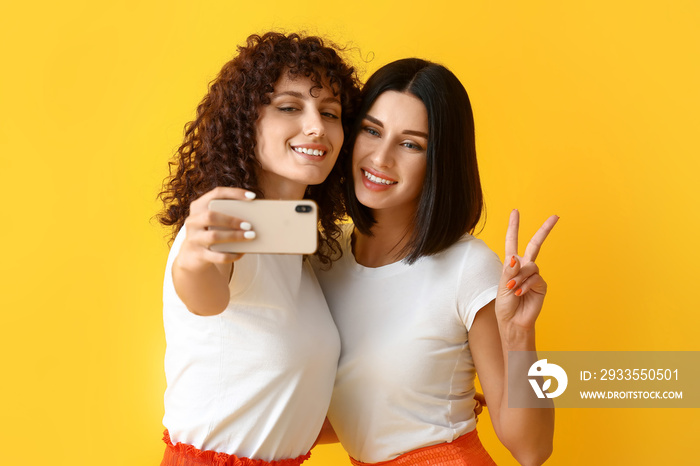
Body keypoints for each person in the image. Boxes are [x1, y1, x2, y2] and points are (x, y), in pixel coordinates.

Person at [314, 58, 557, 466]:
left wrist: (519, 338)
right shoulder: (322, 253)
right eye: (372, 131)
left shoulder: (469, 267)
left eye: (411, 144)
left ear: (439, 162)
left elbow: (532, 450)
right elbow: (349, 411)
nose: (381, 157)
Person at [156, 32, 360, 466]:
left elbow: (286, 403)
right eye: (289, 107)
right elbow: (202, 292)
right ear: (244, 121)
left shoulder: (299, 242)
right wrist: (194, 259)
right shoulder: (223, 231)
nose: (316, 127)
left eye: (330, 112)